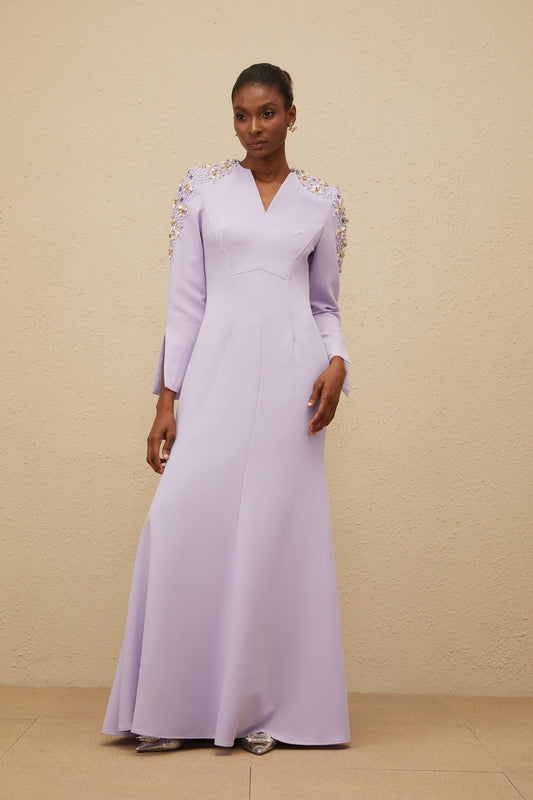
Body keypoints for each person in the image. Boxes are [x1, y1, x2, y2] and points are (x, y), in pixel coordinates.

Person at [102, 63, 351, 755]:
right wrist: (167, 399)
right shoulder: (203, 190)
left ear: (292, 114)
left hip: (293, 388)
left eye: (267, 113)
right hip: (215, 374)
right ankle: (168, 708)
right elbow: (186, 303)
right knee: (180, 520)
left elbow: (325, 305)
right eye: (241, 115)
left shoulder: (321, 201)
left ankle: (261, 710)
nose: (253, 128)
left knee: (273, 539)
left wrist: (338, 363)